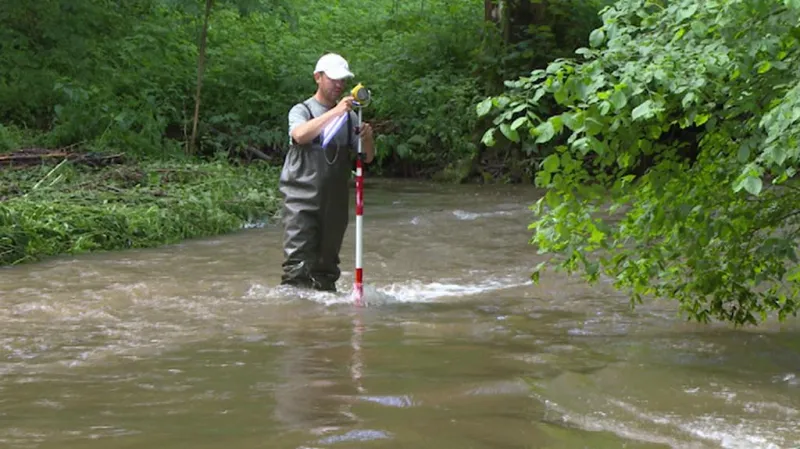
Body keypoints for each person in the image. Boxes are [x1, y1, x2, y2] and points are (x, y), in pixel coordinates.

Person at [279, 53, 375, 292]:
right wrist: (336, 112)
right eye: (334, 79)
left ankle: (324, 320)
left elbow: (367, 157)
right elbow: (300, 135)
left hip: (335, 202)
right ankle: (295, 316)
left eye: (343, 80)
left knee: (327, 267)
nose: (339, 85)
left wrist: (368, 138)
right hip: (300, 199)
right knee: (297, 264)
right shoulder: (301, 110)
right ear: (318, 78)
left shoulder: (351, 116)